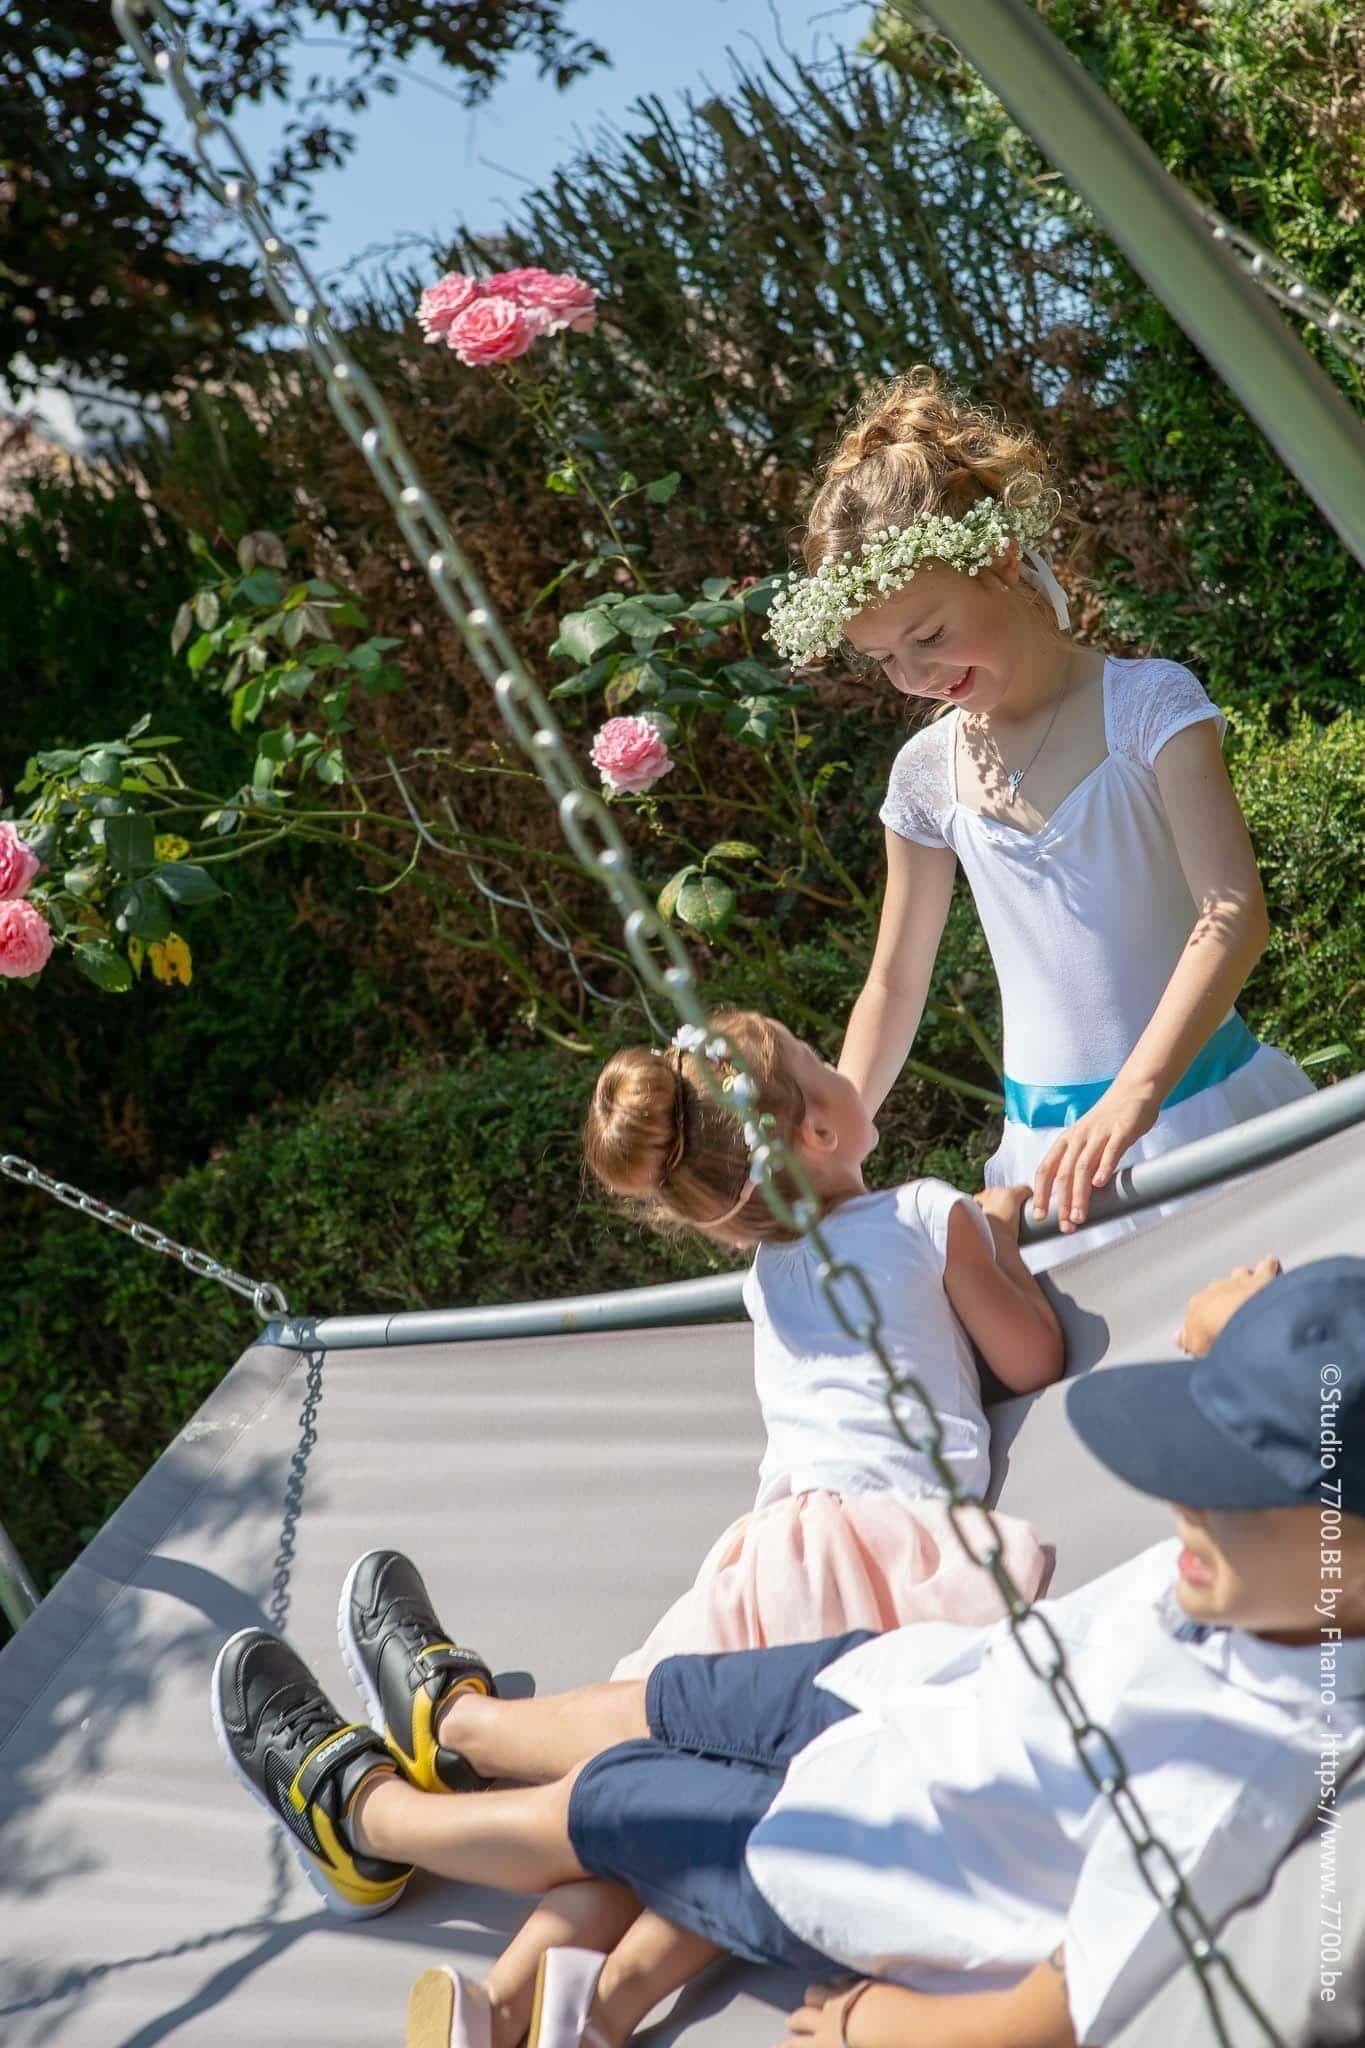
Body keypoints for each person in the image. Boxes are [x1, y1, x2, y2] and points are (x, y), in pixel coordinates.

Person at [211, 1254, 1365, 2048]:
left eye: (1235, 1495)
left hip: (854, 1854)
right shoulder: (1296, 1560)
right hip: (904, 1686)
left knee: (613, 1803)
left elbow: (1055, 2010)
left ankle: (365, 1820)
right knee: (660, 1696)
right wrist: (1225, 1329)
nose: (1185, 1510)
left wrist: (869, 2023)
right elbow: (1311, 1399)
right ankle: (456, 1724)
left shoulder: (1244, 1763)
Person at [766, 367, 1314, 1268]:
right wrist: (831, 1155)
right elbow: (895, 985)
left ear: (999, 562)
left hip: (1197, 1113)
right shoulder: (925, 777)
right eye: (883, 659)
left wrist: (1132, 1099)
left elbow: (1232, 913)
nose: (913, 677)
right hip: (1050, 1167)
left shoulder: (1146, 706)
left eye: (929, 636)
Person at [582, 1008, 1061, 1675]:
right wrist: (998, 1240)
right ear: (818, 1129)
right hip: (883, 1540)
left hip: (765, 1560)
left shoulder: (765, 1278)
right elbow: (1032, 1358)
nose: (841, 1068)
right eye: (819, 1059)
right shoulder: (923, 1211)